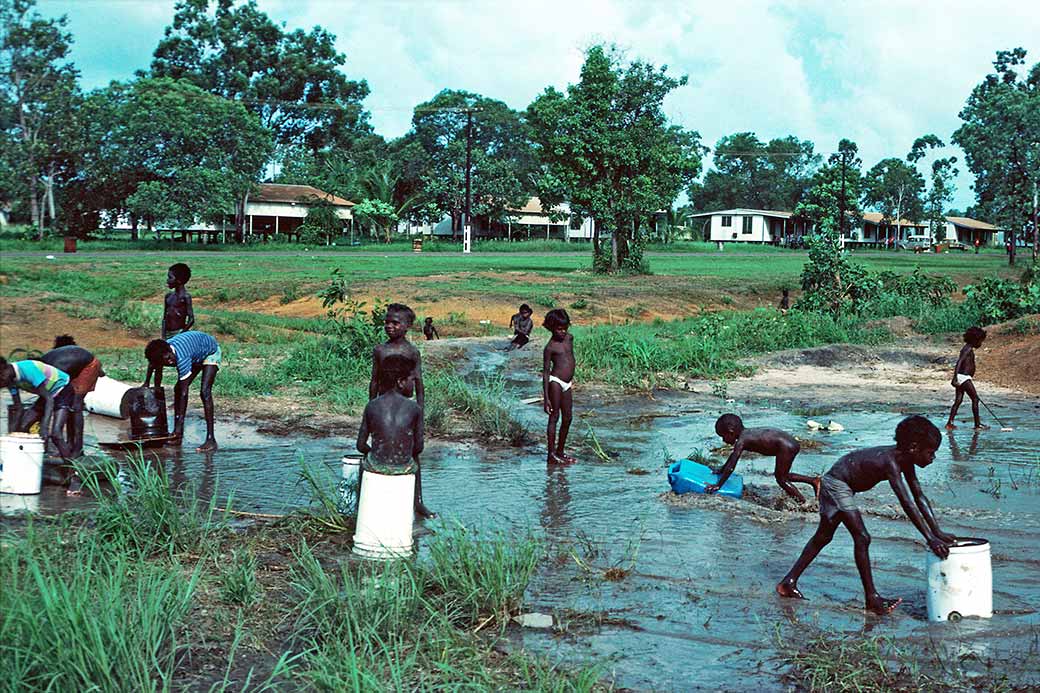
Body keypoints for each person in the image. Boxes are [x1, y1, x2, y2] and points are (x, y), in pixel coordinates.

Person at [776, 415, 953, 615]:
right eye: (931, 453)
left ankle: (788, 582)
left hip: (842, 485)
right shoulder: (890, 463)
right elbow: (907, 503)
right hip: (836, 484)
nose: (933, 458)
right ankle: (872, 599)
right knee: (862, 537)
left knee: (823, 537)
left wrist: (937, 532)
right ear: (913, 448)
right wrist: (930, 539)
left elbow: (919, 497)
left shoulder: (905, 461)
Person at [368, 304, 431, 517]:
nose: (389, 326)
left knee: (414, 453)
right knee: (378, 447)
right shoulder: (380, 350)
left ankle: (418, 501)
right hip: (382, 408)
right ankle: (372, 499)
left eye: (395, 323)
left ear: (407, 326)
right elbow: (374, 381)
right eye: (387, 322)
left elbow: (419, 384)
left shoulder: (412, 352)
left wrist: (419, 415)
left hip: (406, 409)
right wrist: (370, 409)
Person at [357, 353, 434, 519]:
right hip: (403, 467)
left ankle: (358, 508)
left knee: (363, 463)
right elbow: (419, 448)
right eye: (411, 380)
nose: (413, 385)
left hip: (376, 466)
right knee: (413, 461)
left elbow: (360, 445)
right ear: (400, 382)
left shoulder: (372, 405)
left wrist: (375, 453)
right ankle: (415, 504)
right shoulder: (414, 408)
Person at [707, 414, 820, 503]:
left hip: (785, 447)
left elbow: (732, 467)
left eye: (723, 436)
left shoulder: (742, 441)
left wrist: (718, 485)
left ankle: (803, 504)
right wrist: (721, 469)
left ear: (731, 433)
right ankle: (813, 481)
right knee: (783, 475)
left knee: (781, 479)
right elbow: (732, 458)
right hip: (788, 443)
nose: (723, 440)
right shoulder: (746, 434)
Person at [144, 331, 220, 451]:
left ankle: (211, 440)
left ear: (170, 351)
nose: (170, 362)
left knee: (204, 392)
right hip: (194, 353)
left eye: (169, 358)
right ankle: (177, 437)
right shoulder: (160, 351)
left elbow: (185, 393)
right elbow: (153, 366)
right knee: (177, 389)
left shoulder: (181, 357)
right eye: (166, 361)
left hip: (209, 351)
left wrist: (178, 428)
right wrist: (147, 383)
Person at [37, 336, 103, 458]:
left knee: (76, 405)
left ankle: (78, 448)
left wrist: (46, 425)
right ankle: (70, 443)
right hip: (76, 368)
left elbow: (54, 395)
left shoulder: (51, 369)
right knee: (67, 405)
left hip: (88, 367)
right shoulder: (45, 366)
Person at [0, 357, 74, 459]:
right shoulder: (10, 380)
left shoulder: (29, 369)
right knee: (23, 427)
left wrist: (44, 426)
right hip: (47, 394)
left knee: (56, 434)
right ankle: (27, 461)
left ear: (4, 369)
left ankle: (74, 471)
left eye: (1, 379)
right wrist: (11, 435)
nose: (2, 383)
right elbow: (18, 407)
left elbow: (49, 400)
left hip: (63, 390)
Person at [542, 308, 576, 466]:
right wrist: (546, 398)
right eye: (558, 329)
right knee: (554, 417)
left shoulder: (569, 338)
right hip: (555, 382)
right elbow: (546, 372)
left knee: (568, 418)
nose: (562, 332)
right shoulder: (550, 348)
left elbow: (569, 358)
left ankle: (560, 452)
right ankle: (551, 455)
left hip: (567, 384)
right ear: (551, 328)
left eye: (565, 328)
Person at [945, 327, 988, 430]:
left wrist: (956, 378)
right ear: (975, 339)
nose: (981, 344)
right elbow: (959, 362)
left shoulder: (967, 348)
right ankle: (977, 425)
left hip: (962, 377)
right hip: (963, 377)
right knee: (975, 399)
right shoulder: (968, 349)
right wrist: (954, 378)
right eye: (980, 341)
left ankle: (949, 423)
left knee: (958, 400)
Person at [163, 262, 195, 339]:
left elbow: (191, 319)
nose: (167, 280)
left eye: (170, 278)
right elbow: (164, 318)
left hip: (178, 333)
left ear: (179, 281)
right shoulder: (168, 296)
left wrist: (181, 334)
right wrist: (163, 336)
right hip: (167, 333)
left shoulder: (185, 297)